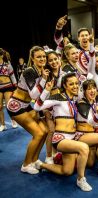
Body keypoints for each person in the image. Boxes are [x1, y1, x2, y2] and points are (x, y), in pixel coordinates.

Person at [34, 72, 92, 192]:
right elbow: (36, 107)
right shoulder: (58, 98)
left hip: (72, 137)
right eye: (71, 84)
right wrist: (46, 90)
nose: (75, 86)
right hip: (60, 138)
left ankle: (40, 165)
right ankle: (81, 179)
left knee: (67, 171)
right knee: (84, 148)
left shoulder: (75, 98)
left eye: (76, 83)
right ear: (65, 86)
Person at [6, 46, 49, 174]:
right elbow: (34, 95)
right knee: (38, 134)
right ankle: (25, 164)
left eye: (43, 56)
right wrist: (45, 80)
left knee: (45, 130)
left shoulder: (43, 70)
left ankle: (34, 160)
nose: (42, 59)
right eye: (38, 57)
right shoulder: (29, 71)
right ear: (32, 58)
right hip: (16, 106)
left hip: (26, 105)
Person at [0, 48, 18, 131]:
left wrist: (16, 86)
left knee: (8, 106)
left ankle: (13, 121)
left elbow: (12, 76)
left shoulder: (7, 64)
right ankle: (3, 124)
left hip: (8, 86)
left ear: (1, 55)